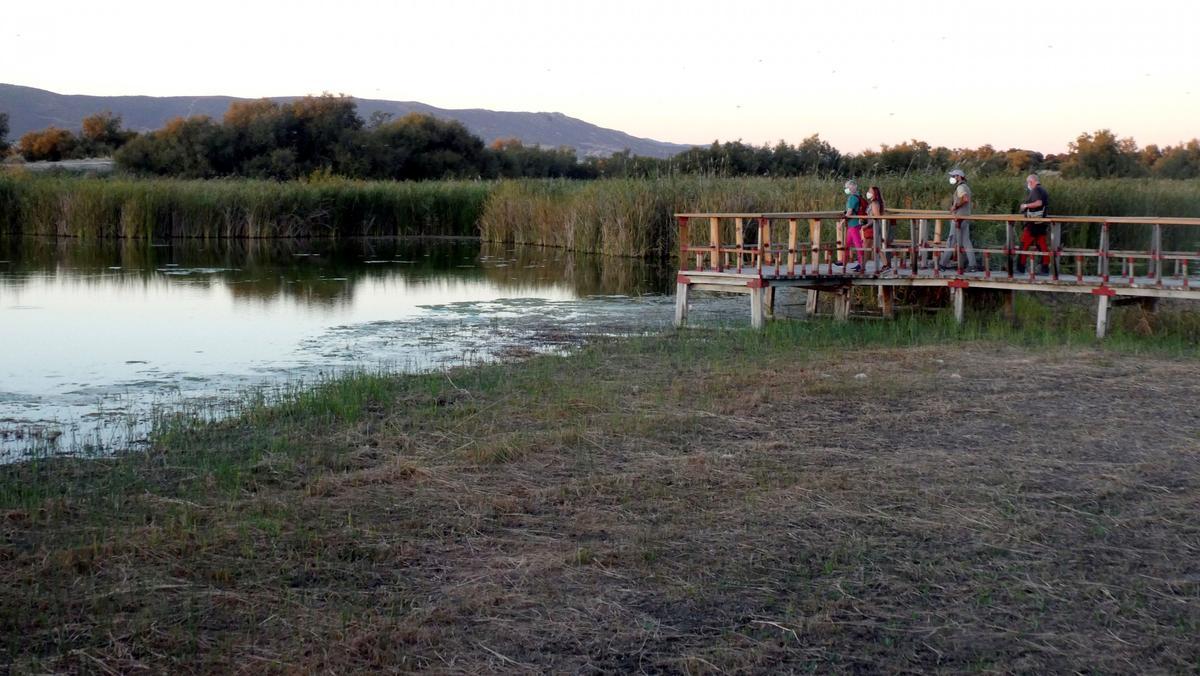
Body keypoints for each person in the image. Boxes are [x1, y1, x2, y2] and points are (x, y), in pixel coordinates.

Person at [940, 169, 977, 271]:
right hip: (965, 217)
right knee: (966, 241)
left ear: (959, 177)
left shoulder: (961, 187)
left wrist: (954, 207)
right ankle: (973, 265)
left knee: (951, 240)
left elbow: (965, 199)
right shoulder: (966, 186)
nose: (953, 178)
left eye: (954, 176)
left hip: (958, 218)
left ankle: (942, 264)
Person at [1017, 173, 1051, 274]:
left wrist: (1025, 205)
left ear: (1031, 182)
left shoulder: (1036, 190)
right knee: (1042, 245)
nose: (1028, 185)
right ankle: (1045, 268)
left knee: (1024, 245)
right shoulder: (1043, 190)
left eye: (1028, 183)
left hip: (1033, 224)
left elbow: (1039, 203)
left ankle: (1020, 268)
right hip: (1041, 222)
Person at [864, 185, 892, 269]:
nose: (868, 193)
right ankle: (885, 264)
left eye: (870, 191)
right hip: (872, 227)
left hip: (873, 227)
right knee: (874, 247)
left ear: (874, 193)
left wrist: (867, 225)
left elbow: (876, 216)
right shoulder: (874, 202)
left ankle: (862, 265)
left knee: (871, 247)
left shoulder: (875, 203)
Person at [842, 180, 865, 272]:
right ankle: (843, 262)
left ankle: (861, 263)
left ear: (852, 187)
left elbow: (850, 212)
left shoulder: (852, 198)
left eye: (847, 187)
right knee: (847, 244)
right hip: (853, 224)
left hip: (853, 224)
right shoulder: (858, 196)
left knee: (857, 244)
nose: (846, 189)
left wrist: (842, 222)